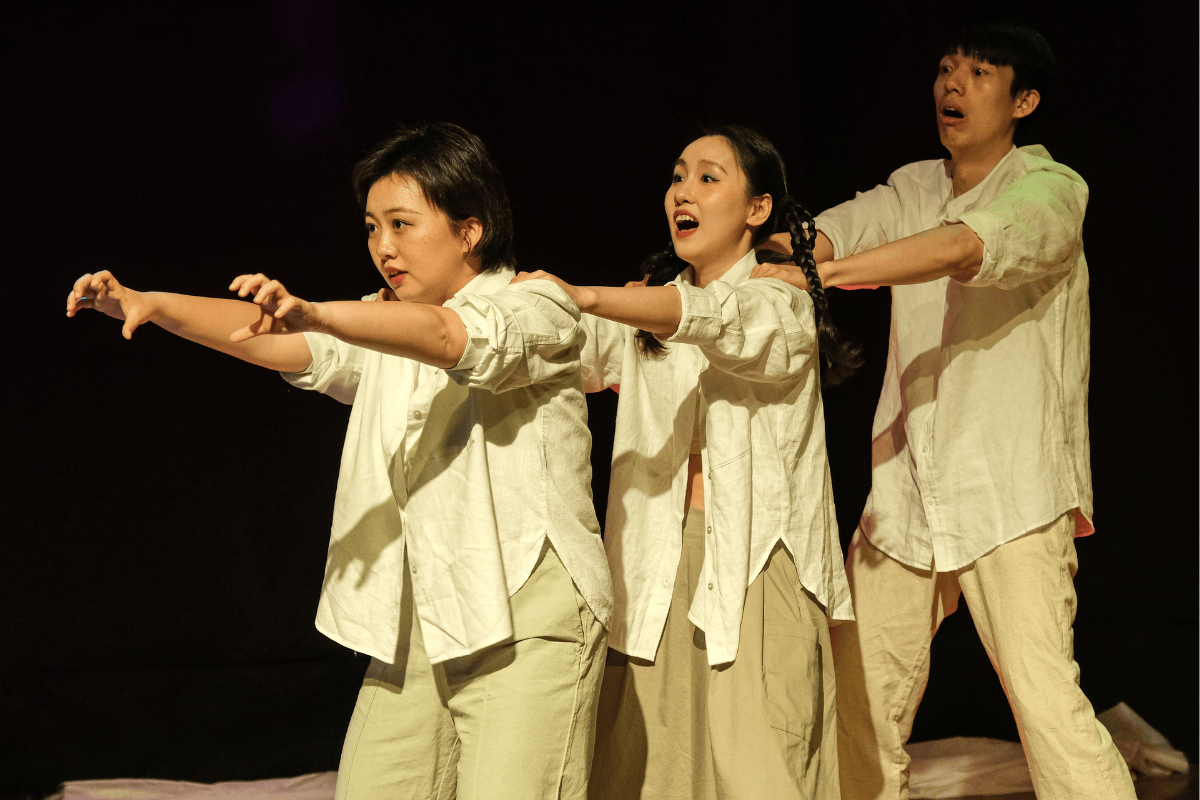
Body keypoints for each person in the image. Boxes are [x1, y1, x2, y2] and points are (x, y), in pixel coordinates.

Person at [66, 122, 613, 800]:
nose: (383, 247)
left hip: (528, 613)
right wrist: (152, 305)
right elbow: (272, 341)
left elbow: (450, 336)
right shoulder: (382, 320)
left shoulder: (535, 304)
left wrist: (319, 314)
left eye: (402, 224)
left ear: (469, 229)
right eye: (372, 228)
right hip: (425, 615)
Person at [756, 22, 1135, 800]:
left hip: (1011, 490)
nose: (952, 85)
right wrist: (775, 256)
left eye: (979, 72)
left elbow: (963, 249)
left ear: (1024, 100)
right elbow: (827, 236)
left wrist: (826, 276)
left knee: (1047, 707)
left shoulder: (1049, 189)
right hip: (906, 489)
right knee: (858, 700)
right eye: (945, 68)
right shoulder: (913, 187)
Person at [516, 125, 857, 800]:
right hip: (653, 562)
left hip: (755, 560)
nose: (683, 192)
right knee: (650, 773)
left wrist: (589, 295)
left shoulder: (780, 299)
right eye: (677, 177)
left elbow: (716, 318)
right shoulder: (648, 308)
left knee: (758, 770)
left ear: (758, 208)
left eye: (707, 177)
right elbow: (559, 349)